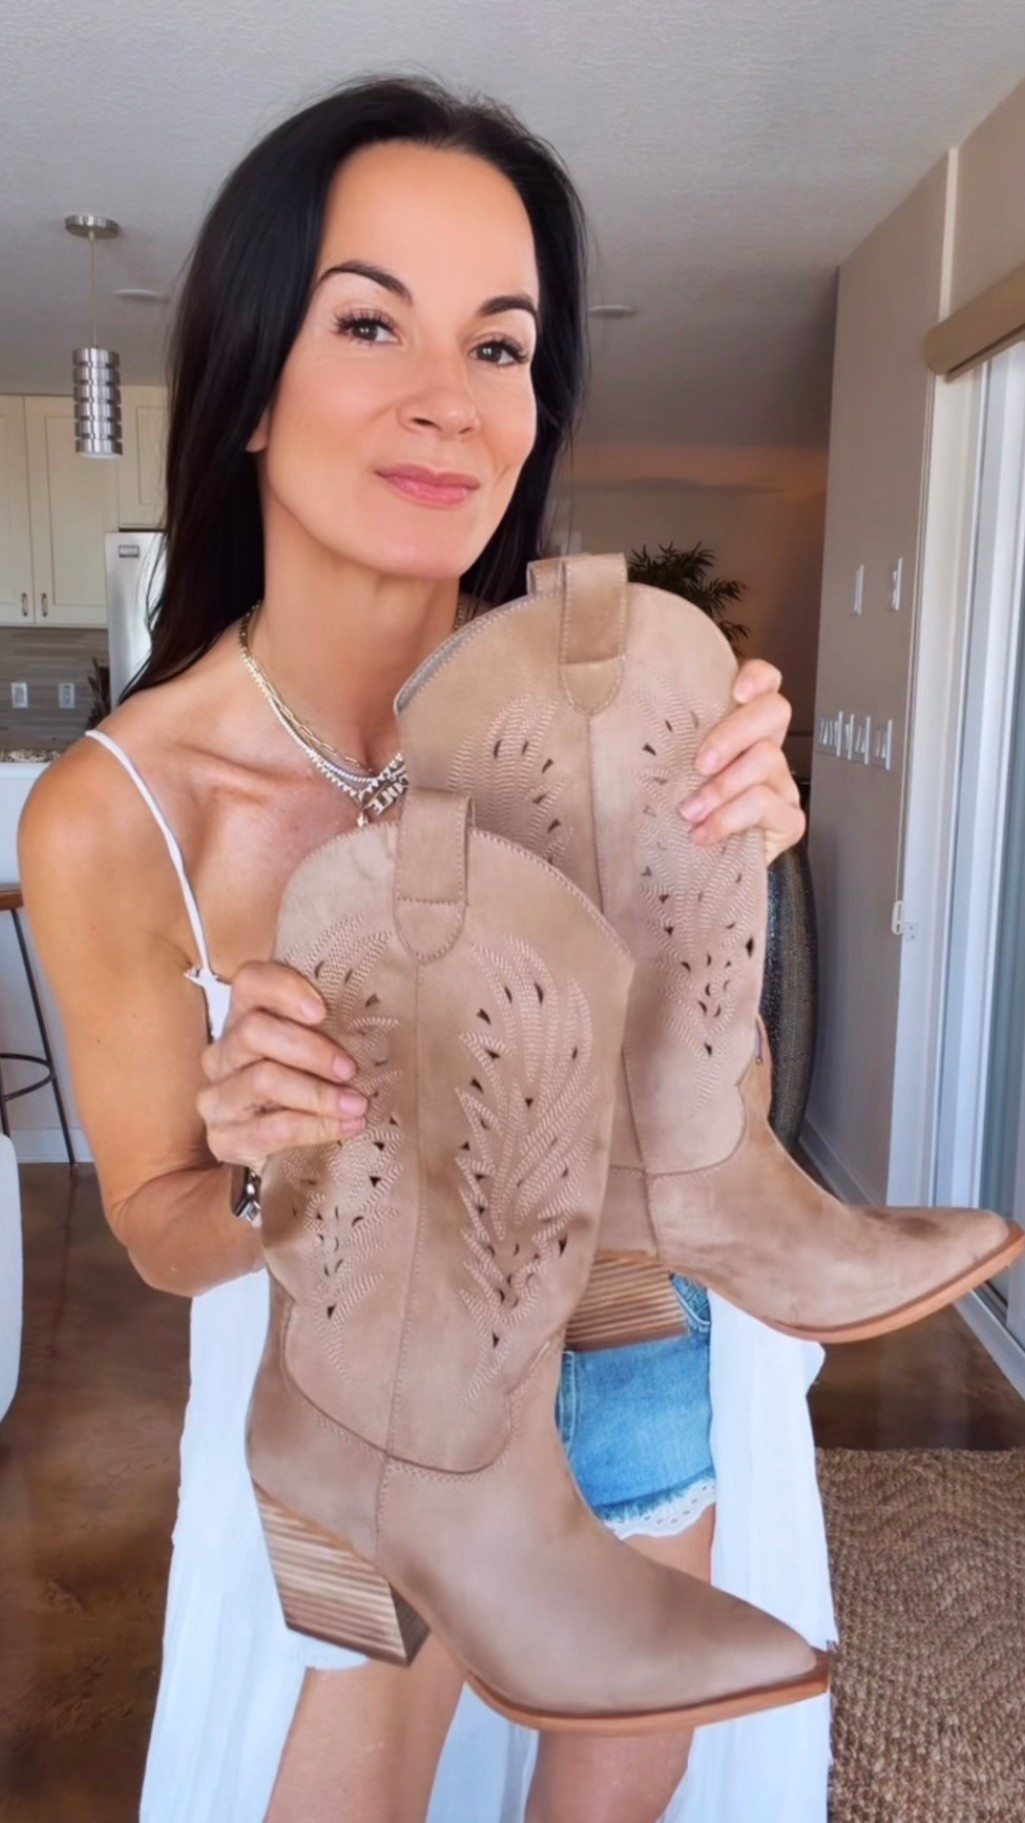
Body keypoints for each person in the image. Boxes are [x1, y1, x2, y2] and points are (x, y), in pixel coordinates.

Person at [20, 76, 833, 1823]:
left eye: (499, 345)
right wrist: (267, 1163)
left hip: (636, 1338)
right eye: (370, 320)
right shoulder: (117, 815)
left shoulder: (605, 709)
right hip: (341, 1393)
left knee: (627, 1767)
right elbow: (159, 1227)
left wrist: (722, 893)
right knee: (354, 1758)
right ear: (252, 380)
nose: (447, 400)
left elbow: (722, 1116)